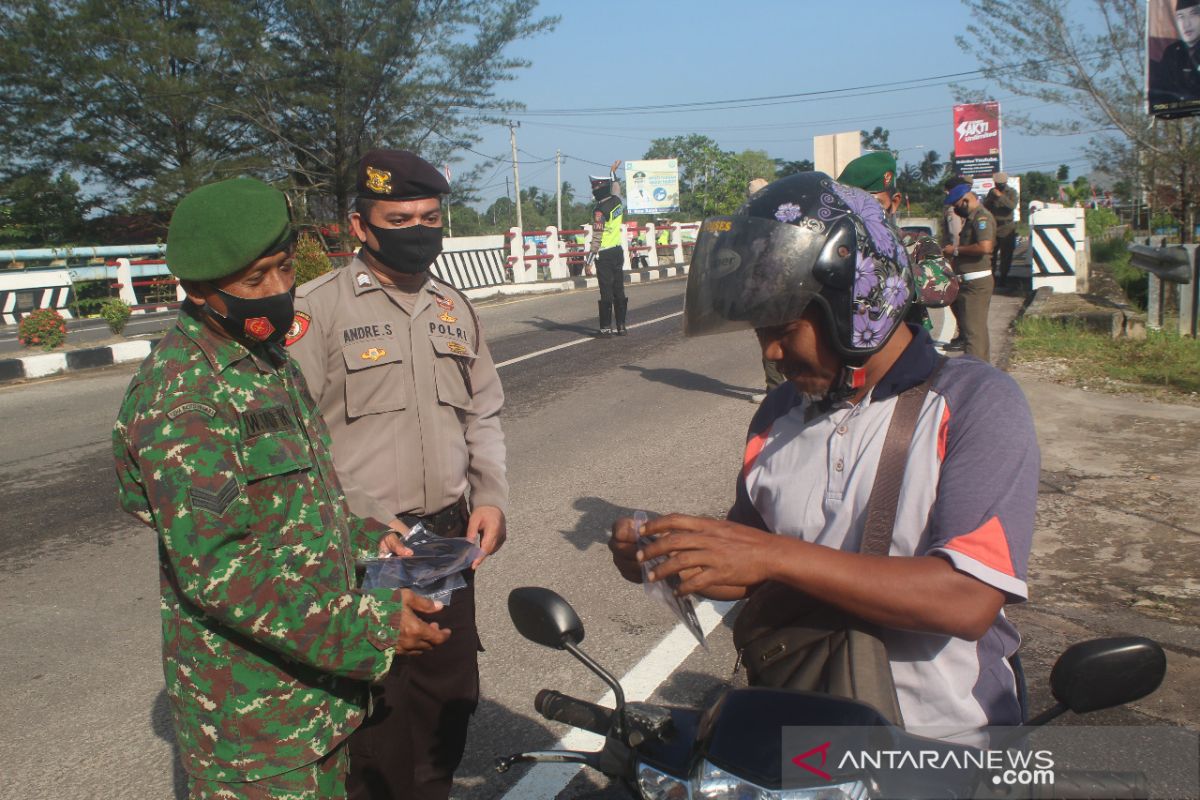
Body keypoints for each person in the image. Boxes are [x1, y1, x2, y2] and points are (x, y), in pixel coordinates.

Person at [608, 171, 1038, 741]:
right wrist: (673, 559)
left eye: (784, 328)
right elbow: (751, 572)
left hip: (944, 740)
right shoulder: (777, 415)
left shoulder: (974, 402)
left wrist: (773, 555)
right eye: (760, 332)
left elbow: (967, 600)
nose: (772, 352)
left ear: (861, 304)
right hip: (807, 739)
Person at [113, 177, 450, 799]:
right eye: (253, 281)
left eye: (285, 268)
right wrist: (372, 630)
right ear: (197, 290)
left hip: (315, 699)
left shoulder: (267, 364)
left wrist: (373, 538)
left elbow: (303, 504)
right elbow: (218, 569)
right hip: (255, 728)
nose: (277, 292)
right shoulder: (184, 398)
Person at [288, 149, 508, 800]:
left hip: (443, 541)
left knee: (450, 699)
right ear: (360, 227)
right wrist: (346, 528)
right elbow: (293, 446)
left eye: (430, 216)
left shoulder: (454, 307)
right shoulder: (318, 311)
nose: (419, 230)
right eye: (400, 217)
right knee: (377, 720)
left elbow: (485, 410)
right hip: (363, 548)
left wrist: (491, 496)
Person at [942, 183, 996, 361]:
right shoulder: (973, 218)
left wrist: (956, 250)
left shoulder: (982, 218)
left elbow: (985, 247)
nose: (957, 212)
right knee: (975, 331)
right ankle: (983, 371)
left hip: (976, 283)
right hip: (969, 281)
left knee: (973, 334)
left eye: (957, 207)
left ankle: (975, 375)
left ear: (966, 201)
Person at [589, 166, 627, 336]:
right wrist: (613, 173)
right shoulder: (618, 201)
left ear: (599, 190)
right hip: (618, 252)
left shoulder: (599, 211)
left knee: (606, 291)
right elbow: (617, 188)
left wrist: (588, 261)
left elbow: (597, 236)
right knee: (619, 289)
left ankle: (605, 328)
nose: (593, 191)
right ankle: (621, 326)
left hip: (603, 254)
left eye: (594, 188)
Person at [1149, 0, 1200, 111]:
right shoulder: (1171, 52)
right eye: (1180, 17)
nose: (1187, 24)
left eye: (1193, 14)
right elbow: (1161, 88)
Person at [984, 172, 1019, 288]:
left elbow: (1011, 206)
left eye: (1000, 184)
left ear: (1005, 183)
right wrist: (991, 198)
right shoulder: (991, 192)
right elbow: (985, 206)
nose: (998, 185)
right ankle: (992, 278)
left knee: (1006, 255)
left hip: (1007, 226)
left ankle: (1003, 278)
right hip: (994, 226)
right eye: (996, 183)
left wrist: (1000, 196)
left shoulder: (1012, 192)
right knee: (991, 254)